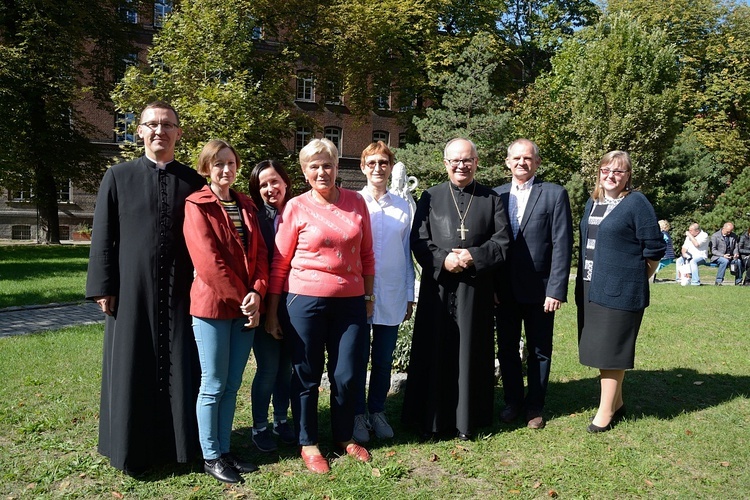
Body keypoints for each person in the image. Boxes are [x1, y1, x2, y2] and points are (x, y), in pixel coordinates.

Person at [85, 101, 206, 475]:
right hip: (131, 290)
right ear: (138, 131)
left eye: (167, 125)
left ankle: (181, 447)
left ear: (178, 134)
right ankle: (129, 447)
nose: (159, 131)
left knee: (182, 365)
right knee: (131, 364)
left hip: (181, 292)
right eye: (151, 125)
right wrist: (104, 286)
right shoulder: (118, 176)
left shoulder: (194, 182)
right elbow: (104, 236)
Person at [264, 138, 374, 474]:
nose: (322, 171)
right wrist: (272, 312)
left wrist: (368, 299)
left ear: (337, 167)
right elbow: (280, 263)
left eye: (328, 164)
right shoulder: (295, 207)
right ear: (304, 171)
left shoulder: (357, 202)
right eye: (314, 166)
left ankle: (343, 436)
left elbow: (368, 255)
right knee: (307, 375)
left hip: (351, 302)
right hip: (305, 302)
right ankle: (308, 441)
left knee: (348, 374)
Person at [401, 138, 511, 441]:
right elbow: (419, 239)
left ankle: (467, 418)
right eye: (455, 160)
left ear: (476, 162)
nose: (461, 165)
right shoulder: (431, 197)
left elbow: (502, 241)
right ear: (445, 163)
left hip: (475, 288)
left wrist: (473, 257)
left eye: (467, 160)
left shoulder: (491, 199)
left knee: (469, 351)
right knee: (435, 348)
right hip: (438, 287)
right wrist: (443, 259)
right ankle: (432, 419)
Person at [183, 140, 268, 483]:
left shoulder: (246, 204)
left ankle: (225, 447)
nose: (225, 170)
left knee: (232, 383)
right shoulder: (197, 204)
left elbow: (261, 254)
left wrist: (258, 292)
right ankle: (210, 455)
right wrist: (243, 298)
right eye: (217, 164)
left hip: (246, 306)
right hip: (213, 307)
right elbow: (208, 263)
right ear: (206, 168)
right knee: (214, 384)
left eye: (230, 163)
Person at [575, 151, 665, 433]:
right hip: (591, 286)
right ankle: (618, 402)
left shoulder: (636, 202)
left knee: (610, 352)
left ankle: (604, 413)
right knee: (601, 349)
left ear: (628, 176)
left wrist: (638, 278)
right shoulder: (594, 201)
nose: (611, 175)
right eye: (605, 170)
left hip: (620, 291)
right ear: (599, 172)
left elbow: (654, 248)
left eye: (618, 171)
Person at [493, 139, 573, 430]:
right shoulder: (496, 196)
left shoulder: (553, 194)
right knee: (507, 348)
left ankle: (535, 406)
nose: (521, 163)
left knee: (540, 349)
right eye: (516, 158)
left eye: (527, 158)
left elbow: (563, 245)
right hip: (504, 291)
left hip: (541, 291)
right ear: (507, 162)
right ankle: (513, 401)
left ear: (537, 163)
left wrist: (556, 289)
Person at [352, 141, 415, 443]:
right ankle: (356, 414)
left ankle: (377, 410)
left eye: (384, 163)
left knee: (383, 358)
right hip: (357, 293)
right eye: (372, 163)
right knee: (356, 356)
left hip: (390, 293)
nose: (378, 168)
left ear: (391, 168)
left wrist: (409, 294)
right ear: (363, 167)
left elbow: (406, 254)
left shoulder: (403, 206)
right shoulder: (352, 202)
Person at [247, 160, 296, 452]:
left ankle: (281, 421)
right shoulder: (255, 218)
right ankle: (259, 426)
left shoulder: (300, 210)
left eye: (274, 181)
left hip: (295, 303)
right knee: (268, 368)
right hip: (266, 304)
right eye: (262, 185)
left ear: (285, 182)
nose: (269, 189)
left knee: (286, 369)